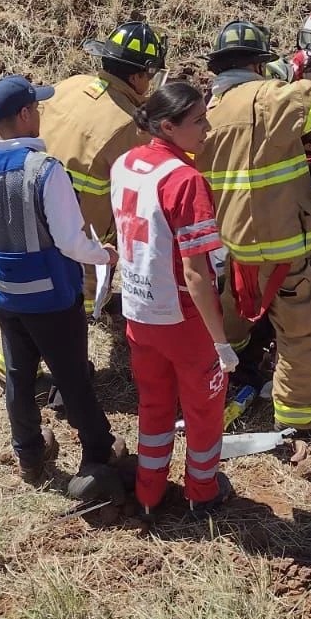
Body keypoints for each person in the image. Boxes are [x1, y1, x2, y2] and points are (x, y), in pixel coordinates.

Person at [0, 76, 123, 501]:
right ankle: (99, 450)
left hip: (4, 291)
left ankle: (29, 452)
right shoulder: (45, 172)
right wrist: (102, 255)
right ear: (26, 115)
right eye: (38, 108)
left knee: (18, 371)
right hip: (52, 296)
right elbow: (69, 241)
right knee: (72, 375)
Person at [196, 20, 311, 434]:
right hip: (279, 241)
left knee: (236, 303)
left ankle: (231, 365)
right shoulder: (267, 98)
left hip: (234, 240)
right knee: (301, 326)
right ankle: (300, 417)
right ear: (260, 65)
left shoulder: (207, 111)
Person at [111, 82, 235, 519]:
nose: (207, 128)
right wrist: (222, 342)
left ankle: (149, 492)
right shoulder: (186, 180)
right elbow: (196, 273)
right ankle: (202, 491)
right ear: (168, 126)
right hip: (184, 321)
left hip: (138, 313)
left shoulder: (124, 164)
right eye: (198, 121)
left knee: (154, 405)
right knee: (204, 410)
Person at [38, 20, 166, 307]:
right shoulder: (130, 126)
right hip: (84, 237)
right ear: (137, 77)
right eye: (151, 73)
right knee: (82, 298)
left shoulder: (72, 85)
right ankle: (85, 313)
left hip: (36, 215)